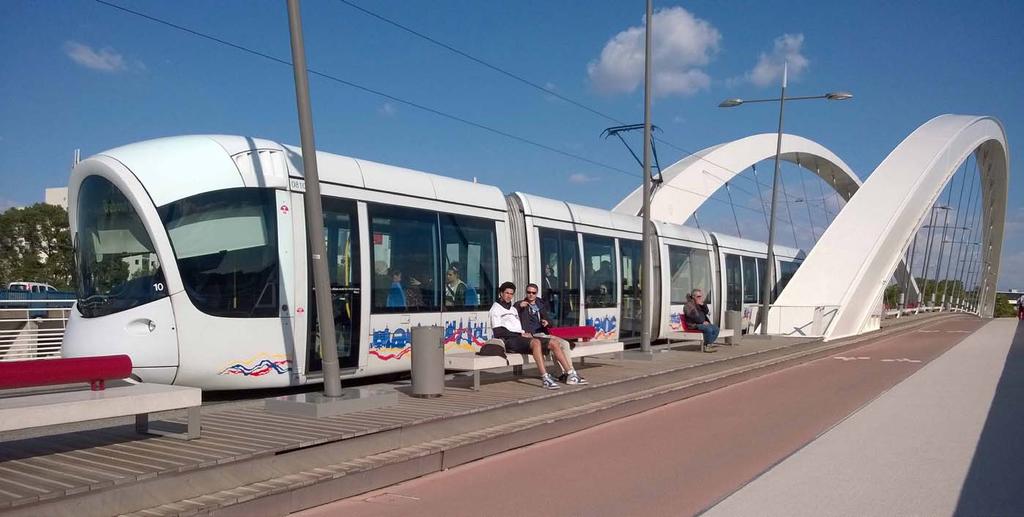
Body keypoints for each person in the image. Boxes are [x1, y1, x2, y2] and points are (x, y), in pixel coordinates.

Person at [489, 281, 585, 389]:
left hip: (522, 337)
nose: (509, 296)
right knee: (536, 342)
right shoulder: (496, 309)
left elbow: (548, 320)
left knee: (554, 343)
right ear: (501, 293)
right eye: (506, 293)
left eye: (511, 294)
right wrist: (520, 332)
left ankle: (571, 374)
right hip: (509, 340)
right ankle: (545, 378)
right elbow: (497, 332)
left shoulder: (512, 309)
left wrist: (540, 325)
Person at [517, 283, 587, 385]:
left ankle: (566, 374)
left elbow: (550, 321)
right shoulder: (521, 305)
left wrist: (547, 322)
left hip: (542, 334)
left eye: (533, 293)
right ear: (526, 293)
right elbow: (513, 311)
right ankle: (568, 374)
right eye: (529, 292)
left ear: (536, 294)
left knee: (564, 344)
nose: (531, 294)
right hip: (533, 336)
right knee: (557, 344)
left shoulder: (540, 305)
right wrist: (519, 306)